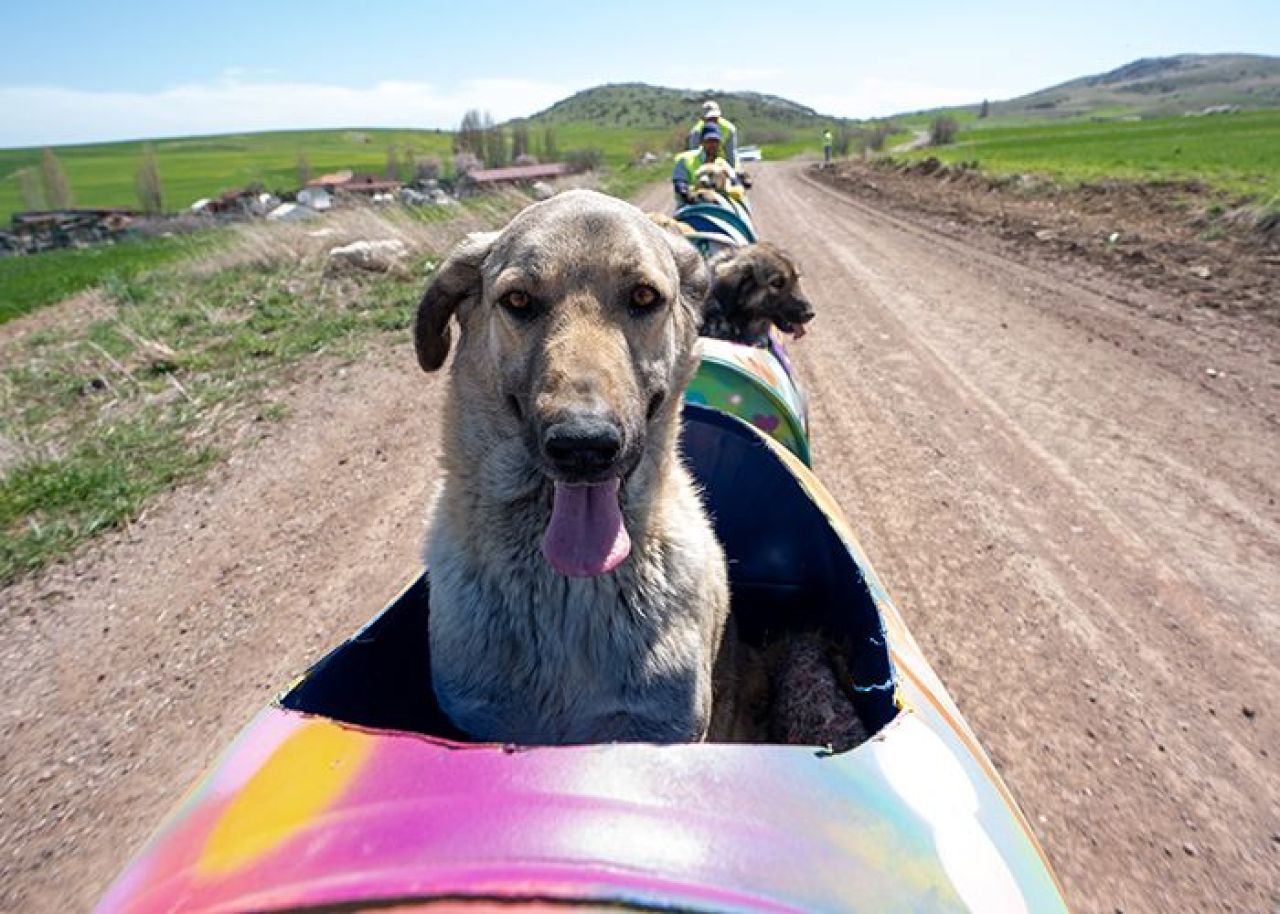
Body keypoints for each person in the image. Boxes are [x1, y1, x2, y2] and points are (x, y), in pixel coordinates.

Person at [672, 123, 743, 209]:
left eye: (715, 141)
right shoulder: (685, 159)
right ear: (702, 142)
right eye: (709, 141)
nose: (712, 145)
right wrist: (689, 194)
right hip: (689, 205)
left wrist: (735, 189)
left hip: (720, 205)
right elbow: (679, 184)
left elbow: (735, 182)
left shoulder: (722, 164)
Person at [687, 100, 739, 169]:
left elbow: (730, 153)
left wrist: (732, 171)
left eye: (715, 117)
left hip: (724, 164)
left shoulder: (729, 129)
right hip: (703, 164)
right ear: (703, 118)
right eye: (709, 118)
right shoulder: (696, 131)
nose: (712, 120)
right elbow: (694, 153)